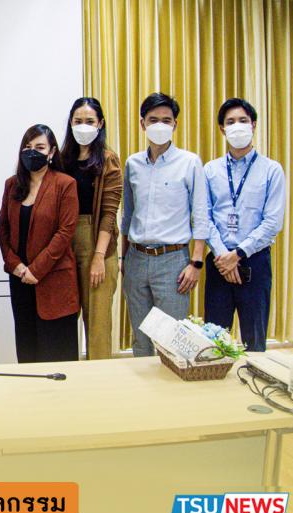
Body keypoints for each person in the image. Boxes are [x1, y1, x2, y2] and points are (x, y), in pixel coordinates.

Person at [121, 92, 209, 357]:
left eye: (166, 120)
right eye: (153, 120)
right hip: (136, 259)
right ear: (142, 124)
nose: (159, 125)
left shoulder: (189, 162)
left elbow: (201, 215)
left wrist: (196, 263)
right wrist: (124, 258)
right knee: (141, 340)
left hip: (173, 261)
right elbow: (128, 215)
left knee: (172, 342)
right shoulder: (133, 163)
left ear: (175, 124)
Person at [204, 98, 286, 351]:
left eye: (242, 120)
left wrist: (238, 254)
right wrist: (223, 256)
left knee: (255, 340)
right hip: (219, 263)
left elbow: (272, 222)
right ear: (222, 129)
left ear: (253, 125)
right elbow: (204, 218)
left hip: (254, 262)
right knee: (214, 341)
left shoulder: (271, 170)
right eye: (230, 122)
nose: (237, 126)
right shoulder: (210, 170)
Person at [0, 124, 80, 362]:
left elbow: (65, 232)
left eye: (40, 147)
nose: (32, 152)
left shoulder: (65, 184)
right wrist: (14, 264)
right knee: (27, 352)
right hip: (20, 278)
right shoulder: (12, 184)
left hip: (53, 278)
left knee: (56, 354)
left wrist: (36, 269)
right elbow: (3, 228)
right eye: (27, 147)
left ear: (52, 152)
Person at [61, 97, 123, 359]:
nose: (83, 126)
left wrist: (99, 256)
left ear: (100, 124)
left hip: (98, 243)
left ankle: (99, 379)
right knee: (63, 321)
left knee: (97, 325)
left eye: (89, 121)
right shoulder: (62, 160)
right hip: (65, 244)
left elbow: (109, 214)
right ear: (70, 123)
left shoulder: (108, 160)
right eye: (78, 121)